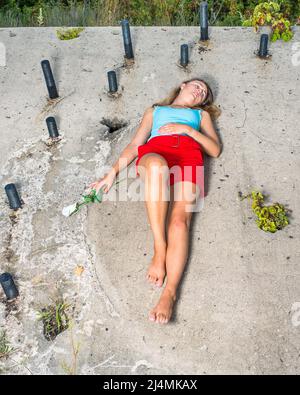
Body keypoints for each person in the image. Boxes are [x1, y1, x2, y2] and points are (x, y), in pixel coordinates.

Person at [87, 77, 222, 324]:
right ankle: (160, 249)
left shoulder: (201, 117)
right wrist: (110, 174)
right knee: (158, 167)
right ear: (182, 86)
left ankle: (169, 294)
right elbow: (136, 143)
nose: (200, 91)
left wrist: (189, 131)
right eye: (197, 85)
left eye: (204, 92)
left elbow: (214, 150)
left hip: (189, 158)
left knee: (180, 224)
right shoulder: (156, 111)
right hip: (156, 153)